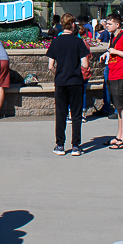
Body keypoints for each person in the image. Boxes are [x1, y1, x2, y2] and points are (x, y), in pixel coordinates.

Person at [46, 13, 90, 156]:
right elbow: (85, 63)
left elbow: (50, 65)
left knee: (61, 114)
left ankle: (60, 145)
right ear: (72, 25)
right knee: (76, 114)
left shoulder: (56, 41)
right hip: (75, 81)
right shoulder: (78, 42)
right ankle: (76, 145)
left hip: (61, 81)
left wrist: (58, 72)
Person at [101, 13, 123, 149]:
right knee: (118, 108)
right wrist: (108, 53)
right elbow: (114, 51)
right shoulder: (113, 36)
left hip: (122, 76)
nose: (107, 26)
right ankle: (119, 136)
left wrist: (116, 51)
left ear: (117, 24)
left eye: (109, 24)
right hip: (113, 75)